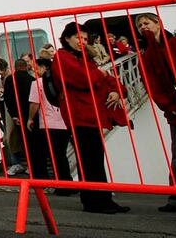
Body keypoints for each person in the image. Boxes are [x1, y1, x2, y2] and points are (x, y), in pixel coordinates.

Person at [51, 21, 130, 214]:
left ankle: (102, 199)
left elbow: (109, 79)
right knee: (88, 160)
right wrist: (101, 74)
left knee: (95, 158)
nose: (82, 41)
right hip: (79, 116)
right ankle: (94, 201)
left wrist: (118, 91)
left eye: (85, 38)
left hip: (91, 115)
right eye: (78, 37)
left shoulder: (84, 59)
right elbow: (85, 79)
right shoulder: (62, 57)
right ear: (67, 38)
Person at [135, 13, 176, 213]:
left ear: (159, 24)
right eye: (140, 25)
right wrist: (170, 107)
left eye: (147, 23)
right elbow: (153, 87)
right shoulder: (147, 57)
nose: (143, 27)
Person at [25, 58, 75, 196]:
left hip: (48, 123)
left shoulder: (37, 83)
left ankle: (63, 186)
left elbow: (35, 104)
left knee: (55, 156)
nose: (35, 70)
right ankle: (68, 183)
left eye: (37, 67)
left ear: (43, 68)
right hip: (65, 122)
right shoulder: (61, 82)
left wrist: (30, 118)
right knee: (61, 155)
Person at [2, 58, 35, 176]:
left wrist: (14, 115)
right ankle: (32, 166)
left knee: (21, 140)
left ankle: (20, 164)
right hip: (31, 114)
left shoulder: (10, 80)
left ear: (15, 67)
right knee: (32, 141)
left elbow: (8, 98)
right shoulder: (32, 80)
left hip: (17, 115)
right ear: (26, 67)